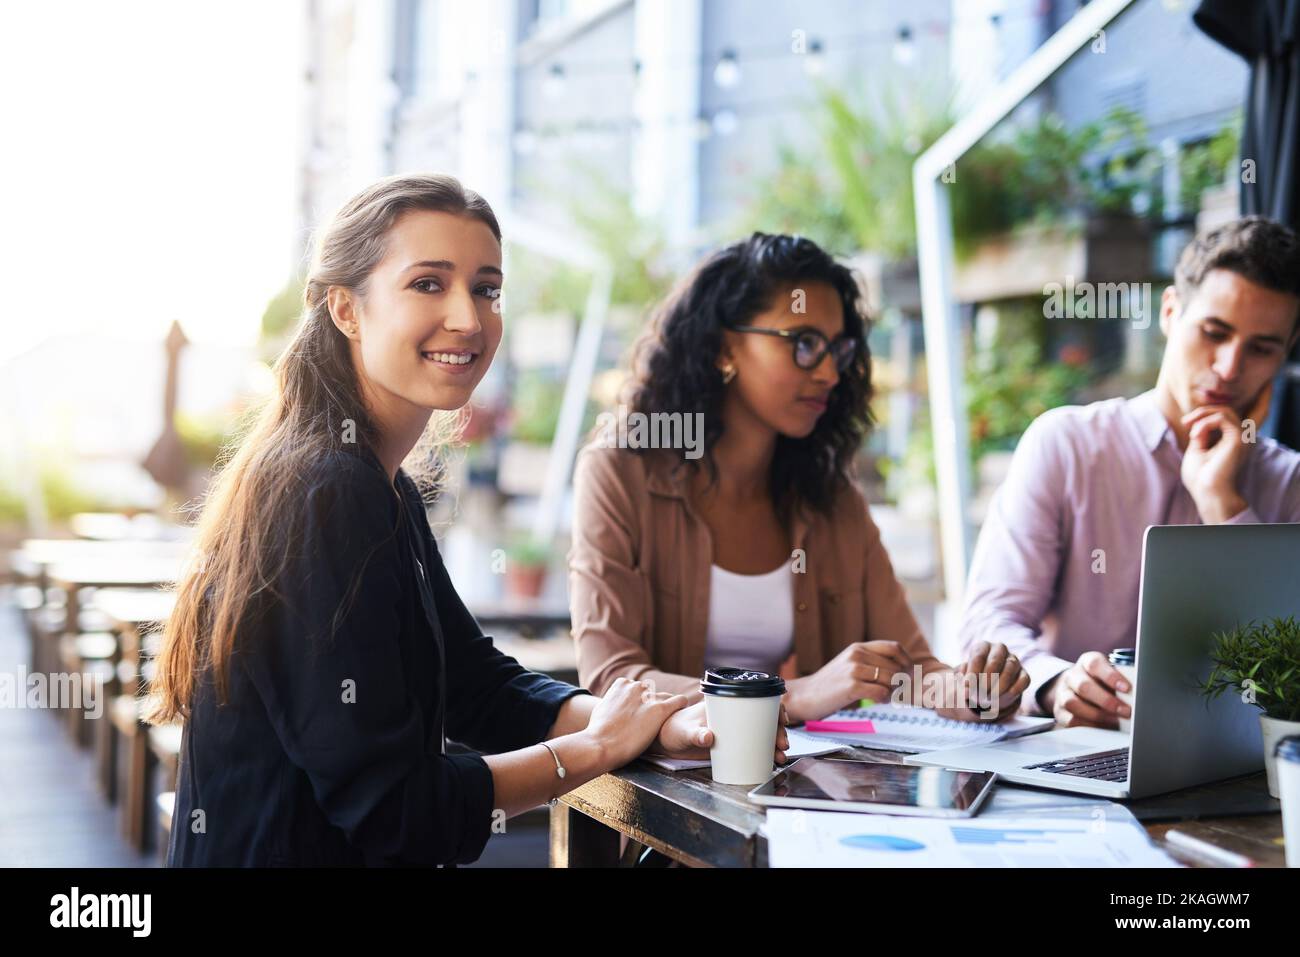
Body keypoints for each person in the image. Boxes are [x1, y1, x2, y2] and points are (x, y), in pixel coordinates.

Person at [146, 173, 784, 867]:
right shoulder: (324, 492)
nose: (469, 318)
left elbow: (474, 683)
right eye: (428, 283)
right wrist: (597, 747)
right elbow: (399, 811)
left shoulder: (381, 490)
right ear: (346, 309)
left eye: (486, 288)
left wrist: (639, 724)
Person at [569, 233, 1029, 726]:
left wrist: (973, 691)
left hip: (789, 788)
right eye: (804, 343)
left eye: (839, 349)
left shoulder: (830, 496)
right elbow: (611, 675)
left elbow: (912, 670)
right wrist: (791, 696)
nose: (830, 372)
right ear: (725, 348)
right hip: (661, 788)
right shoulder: (620, 470)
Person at [959, 216, 1300, 729]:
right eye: (1214, 332)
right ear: (1169, 312)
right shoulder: (1067, 445)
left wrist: (1222, 503)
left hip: (1226, 766)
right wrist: (1055, 684)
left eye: (1261, 348)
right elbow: (987, 627)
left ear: (1285, 354)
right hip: (1071, 756)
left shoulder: (1289, 484)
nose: (1230, 368)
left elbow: (1286, 672)